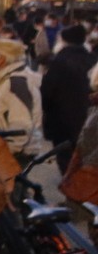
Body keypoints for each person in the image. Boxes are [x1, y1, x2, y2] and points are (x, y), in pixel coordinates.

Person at [41, 24, 98, 173]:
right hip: (89, 118)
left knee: (66, 160)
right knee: (85, 159)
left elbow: (47, 92)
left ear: (64, 41)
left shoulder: (59, 62)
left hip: (62, 121)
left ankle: (72, 188)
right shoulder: (92, 59)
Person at [0, 38, 43, 165]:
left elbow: (21, 124)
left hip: (15, 154)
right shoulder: (12, 78)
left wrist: (9, 152)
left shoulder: (16, 83)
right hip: (11, 149)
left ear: (2, 59)